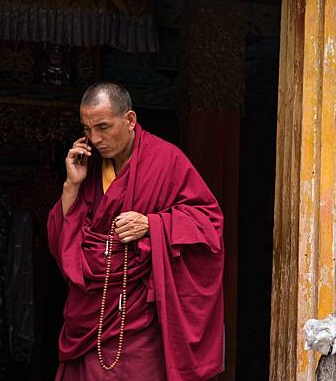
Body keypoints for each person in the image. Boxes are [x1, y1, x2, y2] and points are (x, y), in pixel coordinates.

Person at [47, 82, 224, 381]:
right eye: (87, 129)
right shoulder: (86, 167)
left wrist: (153, 225)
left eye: (103, 127)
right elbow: (60, 243)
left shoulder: (167, 160)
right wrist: (72, 185)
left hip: (140, 320)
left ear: (130, 120)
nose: (95, 138)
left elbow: (209, 223)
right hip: (90, 317)